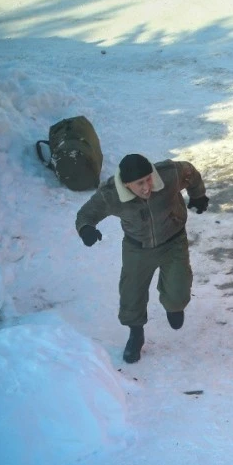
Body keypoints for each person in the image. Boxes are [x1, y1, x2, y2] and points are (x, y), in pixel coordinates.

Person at [76, 153, 209, 363]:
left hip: (173, 241)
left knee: (178, 294)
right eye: (140, 183)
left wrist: (197, 195)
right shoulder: (111, 194)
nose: (147, 187)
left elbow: (189, 172)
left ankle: (173, 304)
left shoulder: (168, 174)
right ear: (126, 184)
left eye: (148, 179)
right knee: (131, 293)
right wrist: (86, 229)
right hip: (137, 248)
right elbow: (86, 214)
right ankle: (136, 333)